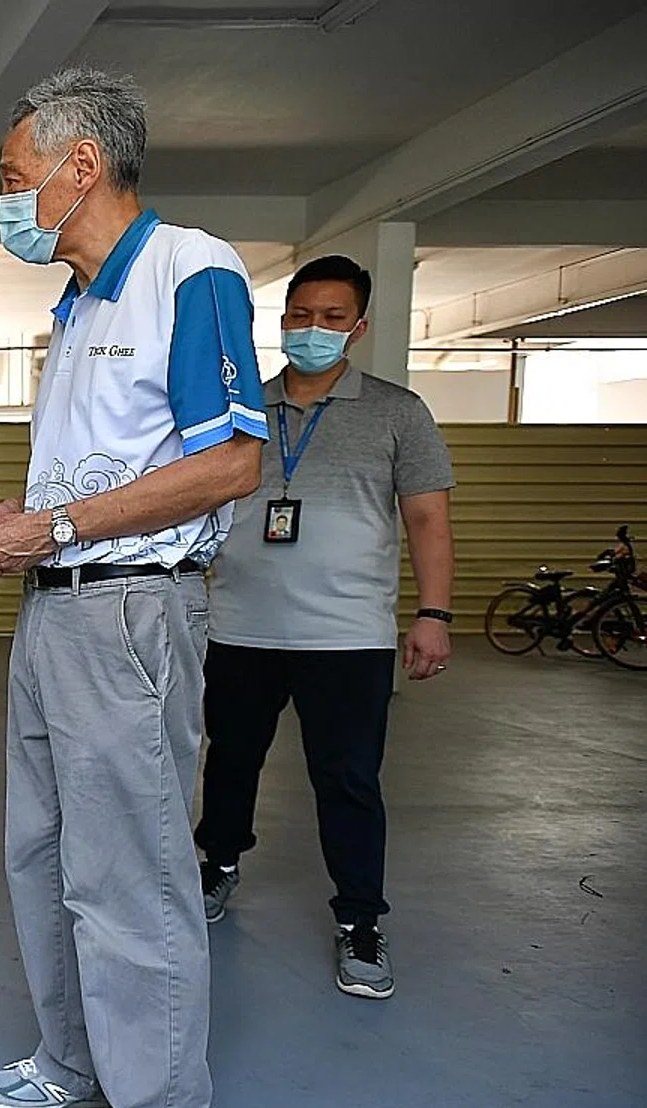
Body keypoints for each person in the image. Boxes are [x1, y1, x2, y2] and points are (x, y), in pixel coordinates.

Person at [0, 68, 265, 1108]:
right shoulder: (76, 308)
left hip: (135, 611)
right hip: (58, 609)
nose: (8, 197)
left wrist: (65, 525)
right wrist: (21, 522)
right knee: (42, 855)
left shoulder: (190, 269)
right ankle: (76, 1062)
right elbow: (93, 475)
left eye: (10, 175)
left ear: (78, 164)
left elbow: (231, 459)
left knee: (132, 878)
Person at [195, 254, 456, 1000]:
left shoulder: (398, 412)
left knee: (347, 778)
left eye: (332, 317)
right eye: (300, 315)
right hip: (241, 625)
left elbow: (429, 518)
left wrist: (432, 616)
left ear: (360, 326)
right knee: (231, 759)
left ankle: (360, 919)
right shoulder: (242, 408)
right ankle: (217, 863)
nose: (313, 329)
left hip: (348, 637)